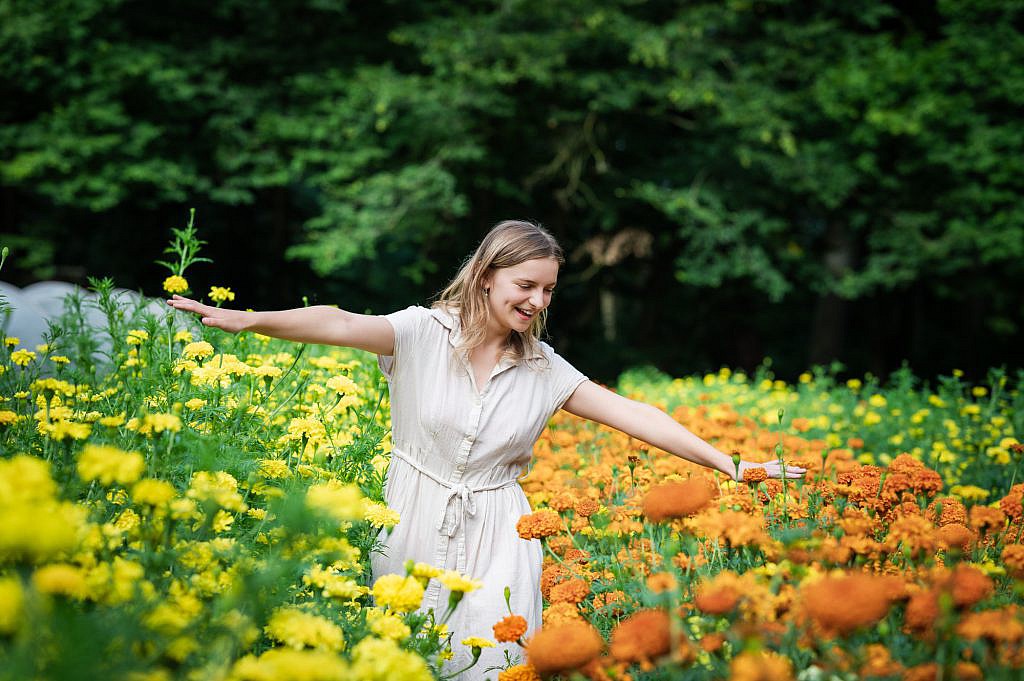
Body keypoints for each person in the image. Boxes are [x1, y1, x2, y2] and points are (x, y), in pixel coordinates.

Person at [166, 219, 805, 679]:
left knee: (497, 665)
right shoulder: (421, 333)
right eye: (526, 284)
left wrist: (728, 462)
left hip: (502, 531)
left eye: (548, 290)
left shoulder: (546, 370)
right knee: (404, 658)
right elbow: (338, 321)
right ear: (485, 275)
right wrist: (250, 320)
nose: (537, 301)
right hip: (411, 515)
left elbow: (633, 415)